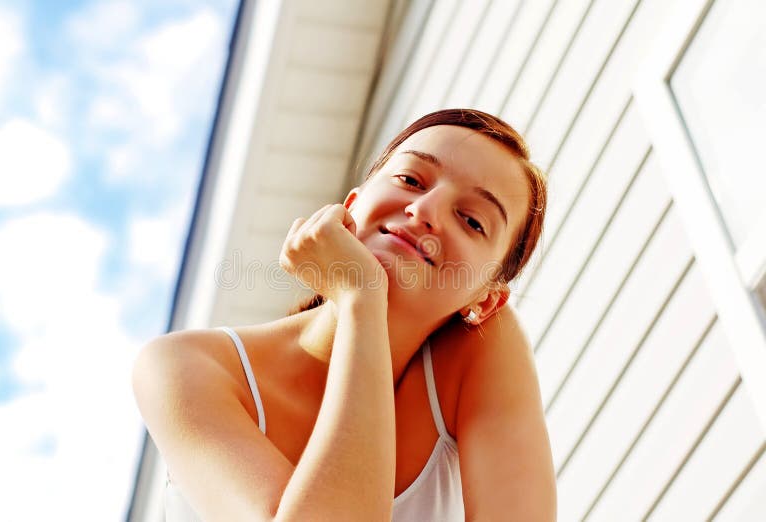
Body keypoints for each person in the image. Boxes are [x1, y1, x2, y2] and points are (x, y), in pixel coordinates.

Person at [133, 109, 557, 521]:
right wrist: (362, 298)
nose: (425, 211)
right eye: (410, 180)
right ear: (349, 206)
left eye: (471, 221)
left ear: (484, 303)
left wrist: (363, 302)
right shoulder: (184, 366)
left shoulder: (481, 350)